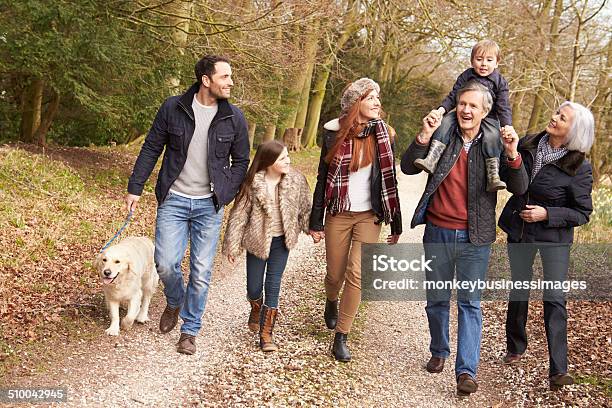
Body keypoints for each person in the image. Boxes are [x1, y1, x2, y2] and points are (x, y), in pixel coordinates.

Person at [401, 80, 528, 396]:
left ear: (486, 111)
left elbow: (521, 187)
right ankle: (439, 350)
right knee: (437, 300)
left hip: (476, 237)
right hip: (437, 232)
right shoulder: (443, 135)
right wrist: (423, 135)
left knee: (470, 304)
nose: (466, 110)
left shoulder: (495, 141)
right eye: (462, 104)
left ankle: (466, 371)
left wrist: (513, 154)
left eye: (473, 106)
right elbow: (407, 167)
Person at [126, 55, 250, 355]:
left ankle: (190, 330)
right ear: (206, 80)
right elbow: (152, 147)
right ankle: (174, 299)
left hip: (209, 205)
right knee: (166, 263)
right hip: (174, 200)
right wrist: (135, 188)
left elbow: (241, 161)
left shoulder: (234, 118)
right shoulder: (173, 108)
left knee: (201, 270)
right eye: (225, 77)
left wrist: (225, 193)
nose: (231, 82)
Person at [498, 102, 594, 390]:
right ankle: (515, 346)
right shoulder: (528, 143)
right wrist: (510, 154)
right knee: (519, 288)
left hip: (554, 238)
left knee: (554, 299)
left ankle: (558, 370)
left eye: (561, 118)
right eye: (555, 113)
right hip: (520, 228)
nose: (553, 118)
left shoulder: (579, 166)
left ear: (573, 131)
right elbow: (509, 178)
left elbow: (582, 212)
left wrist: (548, 214)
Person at [309, 77, 402, 362]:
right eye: (370, 97)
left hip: (369, 216)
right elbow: (323, 179)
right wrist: (316, 221)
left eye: (378, 97)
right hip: (338, 212)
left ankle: (341, 335)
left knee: (358, 274)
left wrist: (395, 223)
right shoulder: (333, 134)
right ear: (355, 103)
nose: (377, 102)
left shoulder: (385, 135)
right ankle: (331, 300)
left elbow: (390, 181)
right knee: (335, 274)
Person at [222, 140, 311, 352]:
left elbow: (306, 207)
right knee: (253, 287)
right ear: (269, 161)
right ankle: (256, 306)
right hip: (258, 241)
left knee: (273, 282)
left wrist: (313, 228)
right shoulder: (252, 183)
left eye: (288, 156)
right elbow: (239, 215)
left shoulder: (296, 180)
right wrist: (233, 245)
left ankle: (266, 333)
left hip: (282, 241)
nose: (288, 161)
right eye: (282, 158)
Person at [415, 39, 513, 192]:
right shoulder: (466, 76)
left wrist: (507, 126)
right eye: (479, 59)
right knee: (445, 123)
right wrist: (441, 110)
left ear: (497, 63)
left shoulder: (500, 82)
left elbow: (504, 107)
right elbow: (453, 96)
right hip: (462, 111)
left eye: (489, 60)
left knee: (493, 136)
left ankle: (493, 174)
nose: (483, 64)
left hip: (489, 117)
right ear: (472, 61)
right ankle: (432, 158)